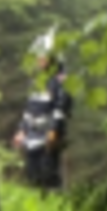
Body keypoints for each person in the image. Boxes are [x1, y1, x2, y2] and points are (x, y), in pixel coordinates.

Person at [12, 31, 73, 190]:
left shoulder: (61, 80)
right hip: (32, 137)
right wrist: (21, 130)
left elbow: (61, 109)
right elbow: (29, 109)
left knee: (49, 177)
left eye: (43, 57)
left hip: (49, 137)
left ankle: (55, 208)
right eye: (38, 57)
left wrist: (54, 131)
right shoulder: (37, 80)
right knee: (32, 177)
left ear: (53, 58)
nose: (39, 60)